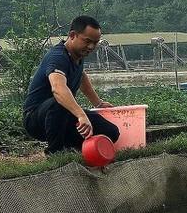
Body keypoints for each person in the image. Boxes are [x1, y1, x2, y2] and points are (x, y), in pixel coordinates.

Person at [22, 16, 121, 154]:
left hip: (63, 115)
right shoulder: (58, 57)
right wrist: (81, 115)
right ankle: (55, 153)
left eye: (95, 42)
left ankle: (75, 148)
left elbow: (81, 76)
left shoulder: (77, 56)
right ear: (72, 35)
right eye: (87, 41)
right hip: (36, 119)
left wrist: (98, 103)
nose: (91, 47)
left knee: (111, 132)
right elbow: (58, 89)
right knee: (60, 102)